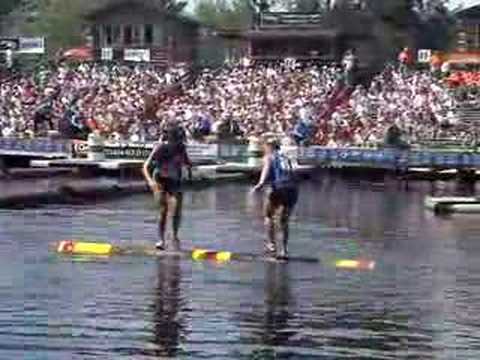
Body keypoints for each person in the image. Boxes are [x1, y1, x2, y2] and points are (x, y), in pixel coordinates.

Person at [143, 124, 192, 251]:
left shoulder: (181, 148)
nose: (177, 141)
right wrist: (150, 182)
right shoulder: (160, 148)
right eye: (175, 138)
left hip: (175, 180)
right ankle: (161, 239)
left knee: (177, 207)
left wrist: (190, 169)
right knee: (163, 210)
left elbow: (187, 162)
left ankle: (175, 235)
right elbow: (145, 166)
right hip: (160, 179)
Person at [251, 139, 299, 260]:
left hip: (278, 187)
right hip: (292, 189)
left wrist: (259, 186)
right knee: (284, 220)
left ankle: (271, 245)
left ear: (269, 146)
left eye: (264, 146)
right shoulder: (287, 156)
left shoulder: (269, 156)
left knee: (268, 215)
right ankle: (284, 250)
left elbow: (265, 173)